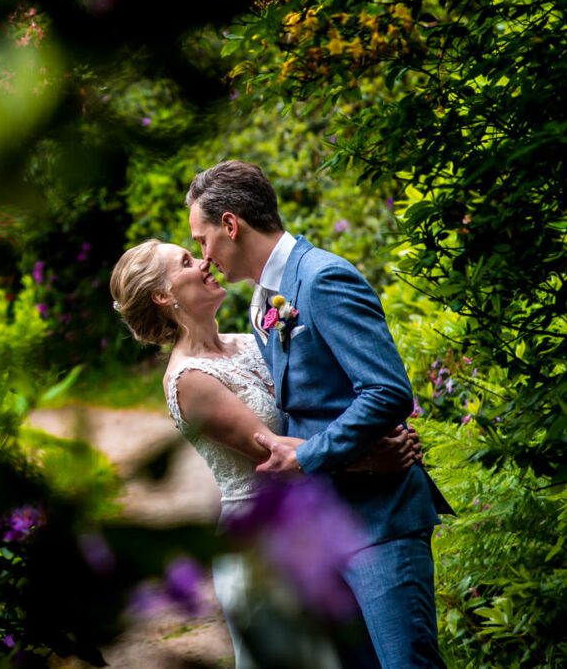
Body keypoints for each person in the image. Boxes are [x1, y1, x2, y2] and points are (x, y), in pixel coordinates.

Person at [185, 160, 451, 669]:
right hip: (327, 525)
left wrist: (310, 457)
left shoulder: (324, 277)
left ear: (230, 225)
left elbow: (386, 390)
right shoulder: (262, 302)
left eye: (203, 239)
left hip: (380, 520)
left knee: (407, 663)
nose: (205, 255)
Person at [110, 239, 418, 668]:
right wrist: (373, 458)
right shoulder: (189, 380)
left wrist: (374, 430)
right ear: (163, 296)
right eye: (186, 261)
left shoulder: (247, 341)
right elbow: (278, 458)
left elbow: (310, 413)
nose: (203, 262)